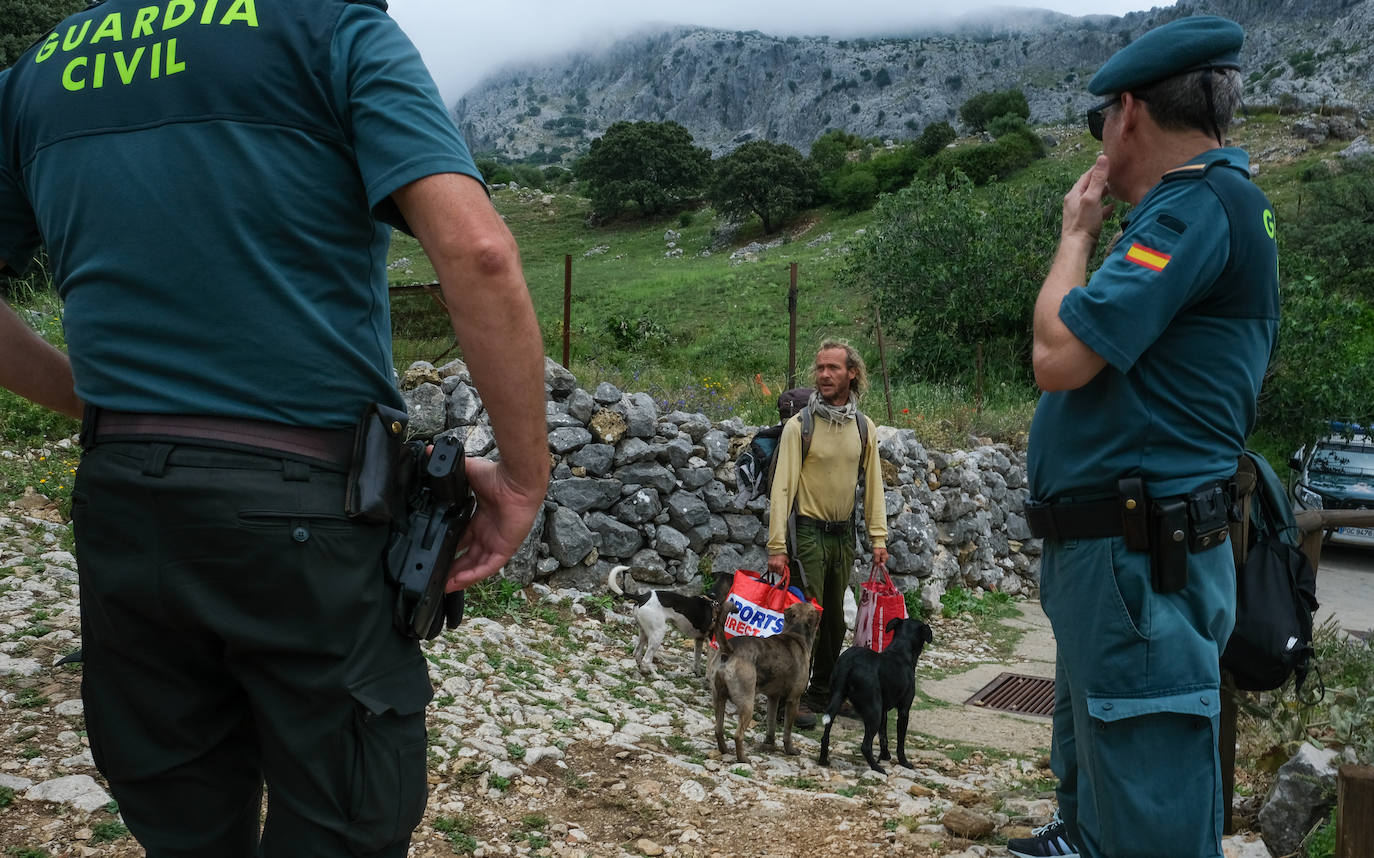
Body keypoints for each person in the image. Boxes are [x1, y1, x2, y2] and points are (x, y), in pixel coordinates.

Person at [0, 2, 548, 855]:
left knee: (180, 819)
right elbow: (478, 252)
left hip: (122, 502)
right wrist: (521, 480)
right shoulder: (330, 27)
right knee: (345, 816)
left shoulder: (43, 70)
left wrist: (100, 403)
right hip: (307, 507)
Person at [1016, 15, 1279, 858]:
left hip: (1142, 562)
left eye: (1101, 121)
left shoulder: (1194, 206)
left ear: (1128, 112)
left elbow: (1058, 355)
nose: (1099, 140)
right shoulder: (1200, 206)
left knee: (1151, 811)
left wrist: (1075, 236)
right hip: (1129, 556)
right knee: (1106, 776)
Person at [766, 340, 887, 728]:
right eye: (820, 368)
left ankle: (821, 693)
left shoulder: (864, 427)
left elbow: (873, 485)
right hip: (807, 533)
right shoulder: (799, 426)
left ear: (852, 373)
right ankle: (792, 697)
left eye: (833, 368)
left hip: (843, 536)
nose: (824, 375)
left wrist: (878, 539)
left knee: (835, 620)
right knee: (805, 616)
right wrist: (777, 546)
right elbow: (782, 487)